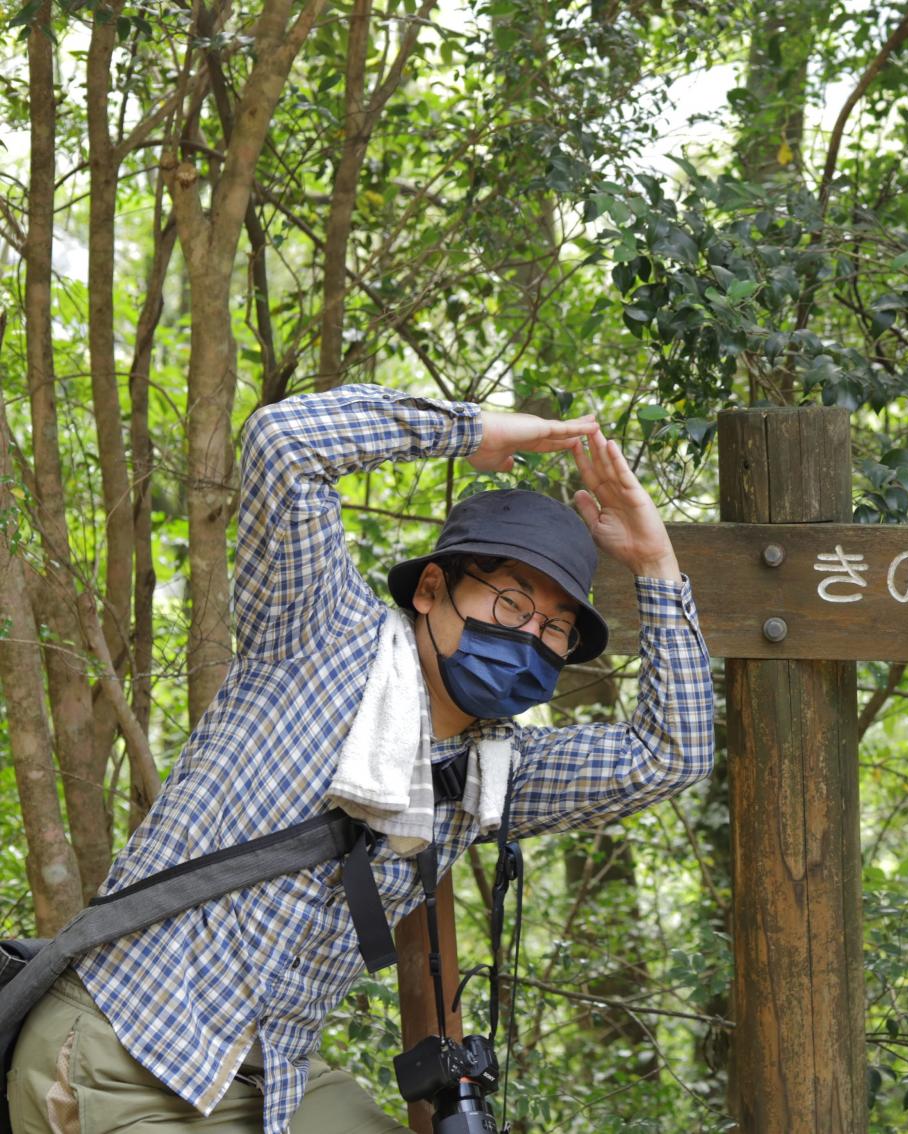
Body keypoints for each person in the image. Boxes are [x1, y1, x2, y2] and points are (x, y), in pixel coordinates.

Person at [6, 385, 716, 1133]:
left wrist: (655, 560)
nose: (530, 635)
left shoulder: (490, 772)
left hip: (268, 1077)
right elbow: (284, 443)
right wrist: (467, 430)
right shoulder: (321, 635)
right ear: (433, 589)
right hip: (122, 1049)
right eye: (511, 603)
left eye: (555, 628)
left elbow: (668, 754)